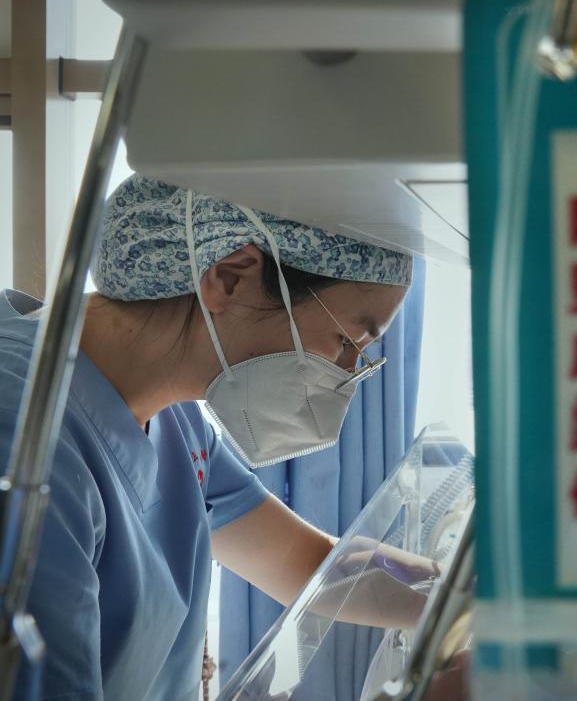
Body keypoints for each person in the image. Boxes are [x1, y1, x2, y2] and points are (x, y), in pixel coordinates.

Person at [0, 175, 432, 699]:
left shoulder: (175, 417)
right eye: (346, 341)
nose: (345, 374)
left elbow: (309, 566)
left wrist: (459, 599)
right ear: (229, 278)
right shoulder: (22, 432)